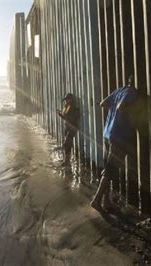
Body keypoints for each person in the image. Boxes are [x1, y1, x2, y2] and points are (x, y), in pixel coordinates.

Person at [91, 75, 137, 210]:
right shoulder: (132, 92)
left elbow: (103, 103)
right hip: (119, 135)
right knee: (111, 170)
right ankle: (96, 200)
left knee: (108, 168)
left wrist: (114, 115)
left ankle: (106, 201)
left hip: (107, 133)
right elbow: (121, 107)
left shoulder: (120, 90)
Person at [57, 93, 80, 166]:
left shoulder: (73, 108)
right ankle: (67, 160)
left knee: (67, 143)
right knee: (67, 144)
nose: (66, 101)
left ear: (71, 100)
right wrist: (60, 114)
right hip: (67, 127)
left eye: (67, 100)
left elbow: (73, 118)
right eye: (66, 100)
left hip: (72, 128)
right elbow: (65, 117)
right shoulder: (67, 107)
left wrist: (63, 115)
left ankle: (67, 161)